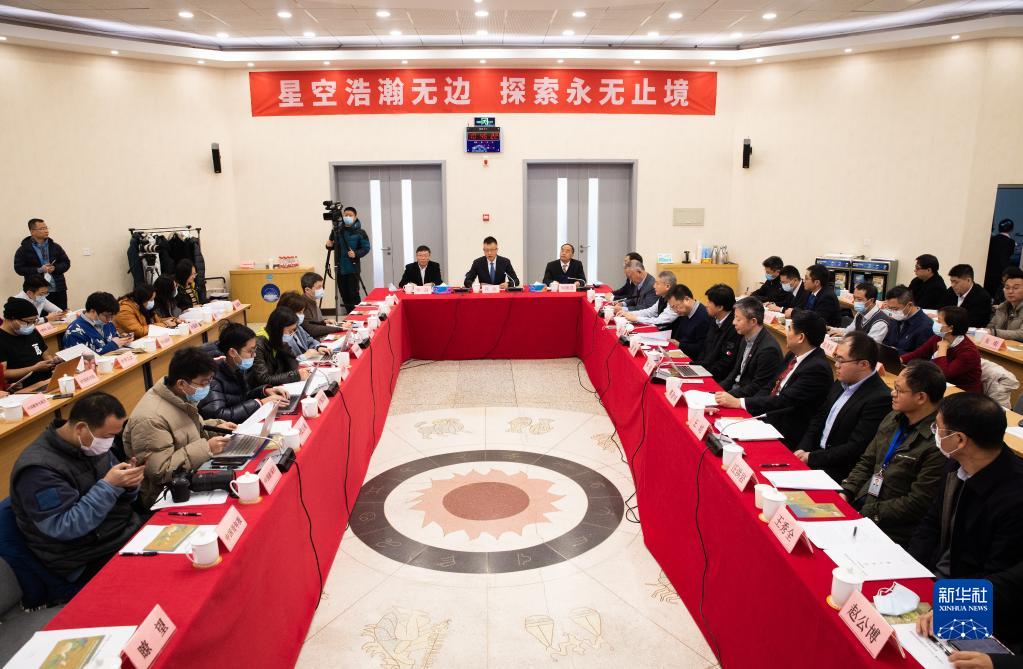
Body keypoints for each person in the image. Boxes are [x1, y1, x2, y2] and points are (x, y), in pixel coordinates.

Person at [908, 392, 1023, 636]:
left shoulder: (1015, 497)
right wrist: (909, 571)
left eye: (938, 428)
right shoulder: (956, 464)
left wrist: (950, 608)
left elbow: (1001, 576)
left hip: (974, 604)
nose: (934, 433)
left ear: (959, 439)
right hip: (933, 581)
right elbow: (931, 524)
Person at [10, 393, 143, 585]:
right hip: (84, 556)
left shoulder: (92, 444)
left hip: (121, 532)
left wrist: (129, 484)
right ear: (81, 428)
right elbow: (63, 527)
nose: (111, 442)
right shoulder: (38, 470)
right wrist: (110, 486)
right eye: (108, 436)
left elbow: (120, 498)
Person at [839, 360, 946, 547]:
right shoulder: (893, 417)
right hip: (863, 503)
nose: (892, 393)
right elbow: (867, 461)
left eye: (899, 390)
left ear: (921, 397)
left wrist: (867, 512)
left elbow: (917, 502)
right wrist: (847, 491)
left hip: (892, 529)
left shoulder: (938, 442)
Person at [122, 347, 234, 508]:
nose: (207, 387)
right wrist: (207, 448)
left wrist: (217, 427)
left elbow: (189, 432)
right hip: (167, 494)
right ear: (181, 383)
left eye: (210, 381)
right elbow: (159, 471)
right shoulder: (151, 418)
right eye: (204, 383)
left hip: (192, 476)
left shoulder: (180, 396)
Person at [715, 310, 833, 447]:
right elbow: (770, 386)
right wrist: (748, 410)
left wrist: (740, 403)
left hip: (786, 432)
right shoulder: (793, 354)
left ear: (801, 337)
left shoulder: (817, 369)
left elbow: (784, 400)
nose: (787, 332)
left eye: (789, 328)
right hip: (768, 416)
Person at [794, 331, 893, 482]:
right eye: (836, 358)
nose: (836, 365)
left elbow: (856, 447)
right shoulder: (842, 381)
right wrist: (803, 448)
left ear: (863, 364)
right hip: (813, 457)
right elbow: (819, 417)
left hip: (838, 471)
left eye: (841, 360)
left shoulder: (879, 399)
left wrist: (811, 458)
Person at [199, 322, 290, 423]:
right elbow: (218, 416)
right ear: (232, 352)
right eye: (250, 351)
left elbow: (242, 397)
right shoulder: (212, 377)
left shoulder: (236, 367)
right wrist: (260, 403)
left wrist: (265, 391)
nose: (254, 355)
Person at [902, 306, 982, 393]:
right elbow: (918, 353)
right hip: (939, 386)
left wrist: (942, 349)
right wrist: (900, 359)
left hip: (963, 393)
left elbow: (942, 375)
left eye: (939, 321)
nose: (935, 323)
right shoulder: (939, 337)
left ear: (950, 328)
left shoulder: (969, 352)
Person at [719, 297, 784, 398]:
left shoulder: (768, 350)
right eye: (734, 317)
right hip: (735, 391)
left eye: (738, 319)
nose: (733, 322)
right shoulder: (745, 337)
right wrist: (717, 390)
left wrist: (727, 396)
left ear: (753, 321)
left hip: (746, 399)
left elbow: (757, 387)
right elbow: (735, 372)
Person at [13, 218, 72, 310]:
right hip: (37, 291)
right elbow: (19, 269)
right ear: (32, 231)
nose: (46, 231)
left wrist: (55, 268)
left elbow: (66, 263)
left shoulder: (55, 246)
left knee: (61, 314)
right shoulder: (23, 249)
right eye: (42, 229)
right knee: (40, 316)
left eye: (46, 228)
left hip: (58, 288)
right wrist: (39, 270)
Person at [0, 297, 58, 387]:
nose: (31, 325)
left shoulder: (31, 331)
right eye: (29, 322)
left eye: (35, 321)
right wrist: (34, 369)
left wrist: (52, 362)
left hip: (47, 380)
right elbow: (3, 374)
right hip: (24, 387)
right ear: (11, 319)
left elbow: (45, 355)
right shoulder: (2, 339)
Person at [325, 205, 371, 314]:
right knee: (344, 294)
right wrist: (328, 245)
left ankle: (358, 315)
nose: (348, 217)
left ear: (355, 217)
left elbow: (366, 248)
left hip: (352, 267)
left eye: (350, 215)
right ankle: (350, 314)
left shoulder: (360, 232)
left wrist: (356, 254)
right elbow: (332, 245)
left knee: (353, 294)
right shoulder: (337, 230)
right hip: (339, 268)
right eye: (345, 215)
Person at [250, 306, 310, 387]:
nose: (291, 334)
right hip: (262, 389)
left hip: (278, 385)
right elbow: (263, 378)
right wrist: (296, 376)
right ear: (278, 328)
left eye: (293, 330)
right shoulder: (258, 345)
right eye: (290, 331)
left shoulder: (278, 338)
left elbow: (293, 364)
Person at [696, 283, 742, 381]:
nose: (706, 305)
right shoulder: (715, 319)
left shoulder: (734, 327)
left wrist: (703, 375)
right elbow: (705, 349)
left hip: (717, 378)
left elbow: (725, 363)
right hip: (704, 371)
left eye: (709, 302)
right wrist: (695, 367)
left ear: (720, 307)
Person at [63, 292, 130, 355]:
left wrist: (122, 339)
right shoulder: (74, 332)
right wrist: (113, 345)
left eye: (111, 316)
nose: (109, 319)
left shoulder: (107, 322)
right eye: (106, 316)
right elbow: (83, 359)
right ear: (92, 311)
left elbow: (114, 338)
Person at [277, 292, 330, 359]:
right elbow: (284, 362)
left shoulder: (298, 327)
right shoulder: (279, 334)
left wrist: (318, 347)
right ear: (287, 312)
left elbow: (309, 340)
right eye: (299, 312)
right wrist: (304, 356)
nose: (302, 315)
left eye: (302, 312)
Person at [883, 285, 933, 354]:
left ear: (910, 305)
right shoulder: (896, 319)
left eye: (895, 309)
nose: (892, 312)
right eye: (889, 308)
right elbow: (887, 342)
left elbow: (922, 356)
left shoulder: (925, 326)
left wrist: (895, 352)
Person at [666, 284, 712, 358]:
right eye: (672, 308)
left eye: (676, 306)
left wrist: (680, 345)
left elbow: (701, 348)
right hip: (680, 353)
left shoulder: (703, 316)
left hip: (692, 358)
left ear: (687, 299)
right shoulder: (685, 312)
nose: (675, 311)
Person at [941, 264, 993, 328]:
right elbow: (942, 310)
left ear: (968, 280)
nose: (952, 285)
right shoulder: (951, 291)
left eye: (956, 282)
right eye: (951, 281)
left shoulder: (982, 297)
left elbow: (974, 322)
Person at [298, 271, 344, 339]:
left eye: (322, 286)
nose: (322, 289)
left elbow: (313, 322)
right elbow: (311, 329)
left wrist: (324, 322)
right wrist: (339, 328)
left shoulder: (312, 300)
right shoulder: (302, 305)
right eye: (319, 287)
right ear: (307, 290)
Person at [987, 266, 1023, 341]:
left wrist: (994, 332)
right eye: (1007, 287)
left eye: (1015, 288)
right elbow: (990, 327)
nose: (1010, 291)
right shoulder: (1002, 307)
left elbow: (1021, 334)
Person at [984, 218, 1015, 299]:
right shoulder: (1010, 242)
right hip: (1000, 274)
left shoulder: (992, 239)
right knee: (997, 297)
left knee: (987, 294)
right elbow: (1005, 259)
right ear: (1011, 229)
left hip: (988, 272)